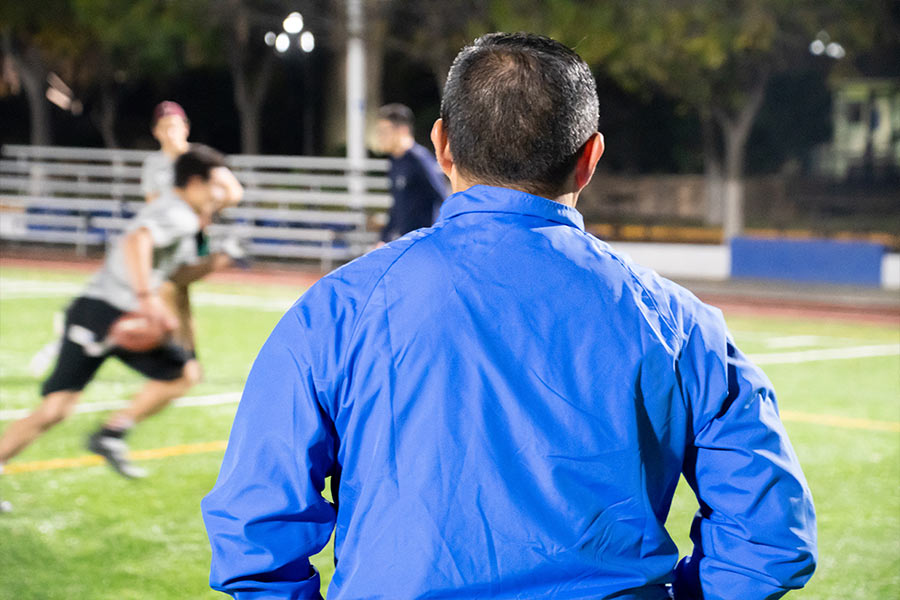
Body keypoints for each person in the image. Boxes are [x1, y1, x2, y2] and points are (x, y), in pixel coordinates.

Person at [202, 33, 816, 600]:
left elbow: (255, 530)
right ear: (590, 157)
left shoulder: (339, 307)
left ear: (441, 145)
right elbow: (770, 540)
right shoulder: (680, 324)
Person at [0, 145, 243, 484]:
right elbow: (136, 242)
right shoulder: (179, 213)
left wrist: (214, 262)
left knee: (57, 409)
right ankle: (112, 432)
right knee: (182, 374)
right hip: (104, 312)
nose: (219, 196)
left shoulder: (182, 216)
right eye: (214, 186)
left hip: (113, 314)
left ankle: (111, 433)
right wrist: (146, 299)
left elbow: (177, 276)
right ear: (194, 182)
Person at [373, 103, 448, 244]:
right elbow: (397, 206)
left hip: (425, 242)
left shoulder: (419, 159)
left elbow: (442, 196)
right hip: (406, 241)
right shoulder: (394, 162)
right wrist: (383, 239)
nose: (380, 137)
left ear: (402, 130)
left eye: (384, 132)